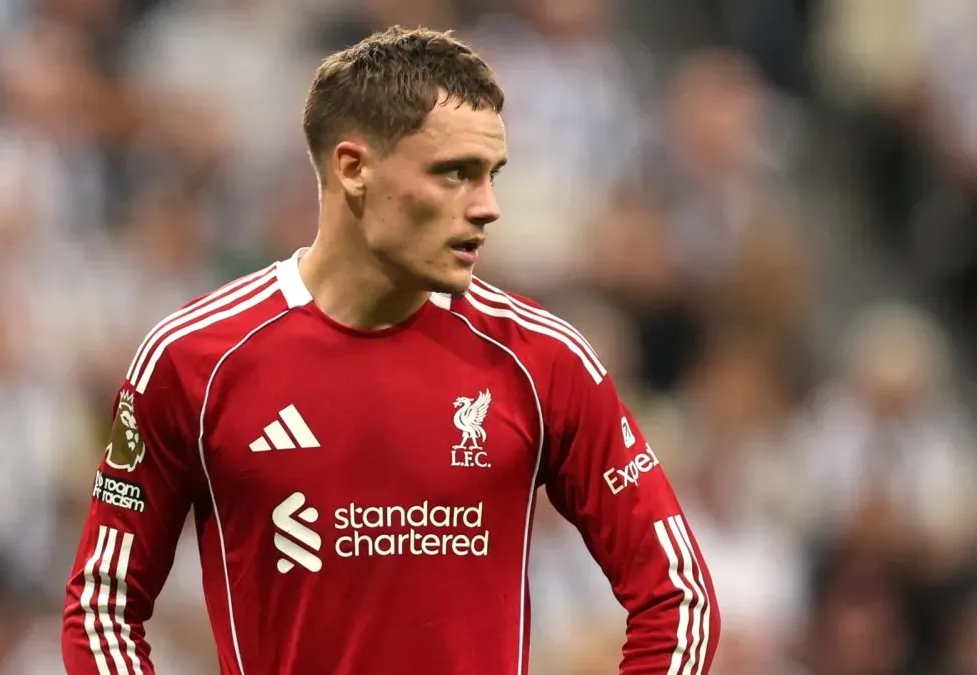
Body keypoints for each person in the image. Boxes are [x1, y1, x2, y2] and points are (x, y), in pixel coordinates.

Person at [61, 25, 719, 675]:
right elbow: (103, 606)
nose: (487, 207)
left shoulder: (542, 359)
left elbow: (678, 597)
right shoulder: (195, 358)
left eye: (492, 175)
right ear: (353, 169)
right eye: (454, 174)